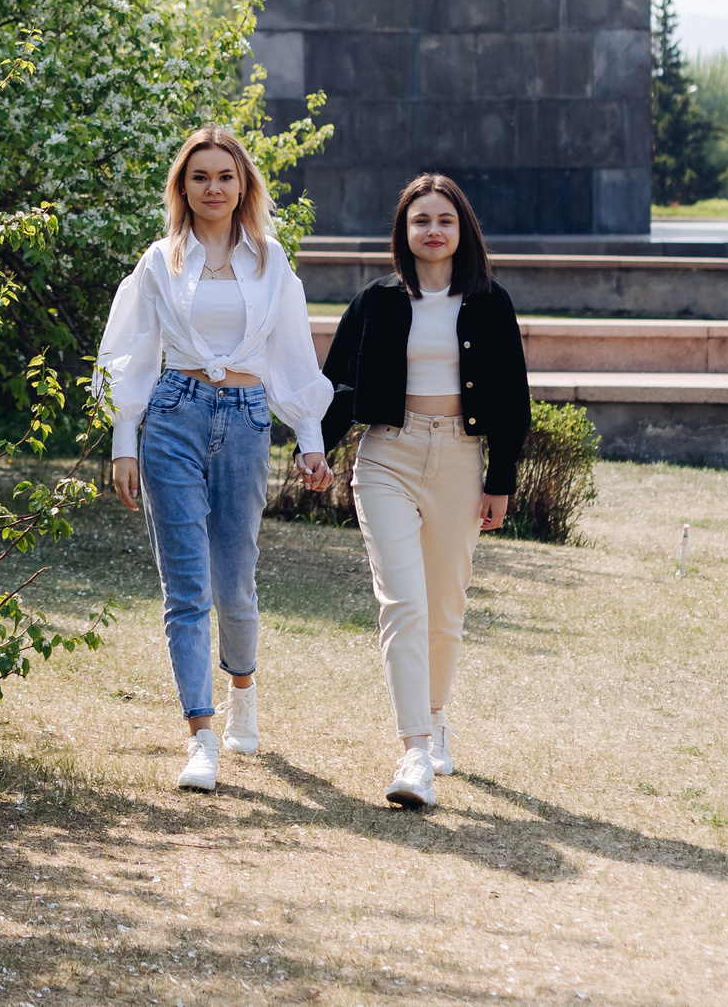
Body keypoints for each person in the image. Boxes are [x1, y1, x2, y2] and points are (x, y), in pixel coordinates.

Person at [97, 126, 335, 792]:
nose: (212, 187)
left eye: (224, 176)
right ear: (183, 186)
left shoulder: (271, 260)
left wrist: (310, 439)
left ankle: (244, 694)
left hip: (247, 418)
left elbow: (292, 353)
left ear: (243, 185)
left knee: (234, 584)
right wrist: (125, 440)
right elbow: (131, 352)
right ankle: (201, 737)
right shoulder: (160, 261)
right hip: (173, 414)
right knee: (187, 590)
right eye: (199, 176)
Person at [317, 173, 530, 810]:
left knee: (444, 608)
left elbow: (513, 401)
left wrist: (500, 481)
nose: (431, 230)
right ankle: (414, 751)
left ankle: (436, 717)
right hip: (388, 455)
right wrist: (315, 448)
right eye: (420, 220)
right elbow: (338, 384)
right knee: (403, 603)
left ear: (462, 231)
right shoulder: (377, 301)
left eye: (443, 219)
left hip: (461, 462)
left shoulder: (491, 303)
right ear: (403, 233)